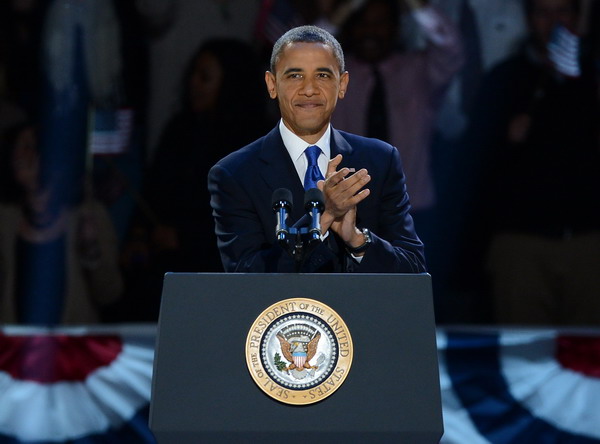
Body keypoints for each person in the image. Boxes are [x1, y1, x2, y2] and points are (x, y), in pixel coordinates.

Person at [208, 25, 426, 274]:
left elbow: (413, 271)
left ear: (342, 84)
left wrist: (356, 240)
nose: (309, 89)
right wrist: (325, 217)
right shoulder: (234, 173)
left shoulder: (379, 161)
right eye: (295, 76)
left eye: (322, 75)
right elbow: (246, 275)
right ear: (271, 84)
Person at [465, 0, 600, 325]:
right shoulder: (504, 78)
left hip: (589, 239)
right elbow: (472, 166)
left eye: (562, 11)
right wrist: (503, 136)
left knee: (589, 358)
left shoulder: (594, 75)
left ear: (578, 17)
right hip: (520, 242)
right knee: (522, 351)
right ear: (528, 19)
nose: (553, 21)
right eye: (542, 12)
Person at [0, 123, 123, 324]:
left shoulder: (88, 213)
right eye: (17, 146)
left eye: (30, 146)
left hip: (71, 350)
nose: (20, 154)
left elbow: (109, 293)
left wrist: (90, 250)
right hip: (15, 350)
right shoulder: (5, 218)